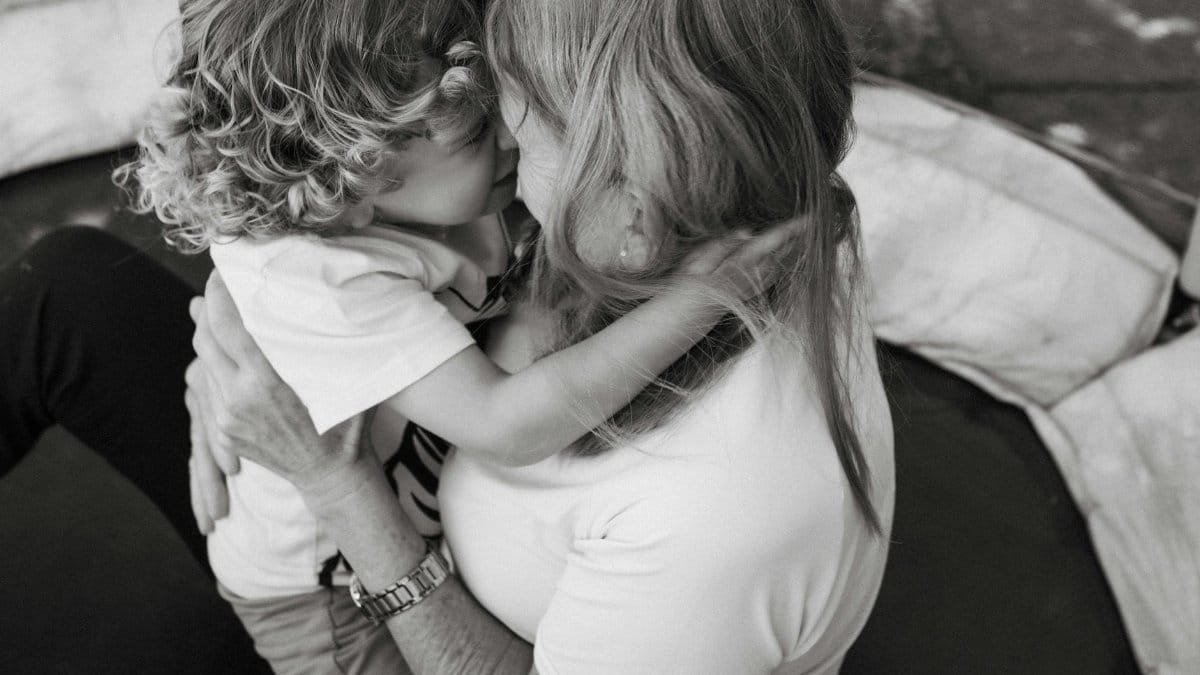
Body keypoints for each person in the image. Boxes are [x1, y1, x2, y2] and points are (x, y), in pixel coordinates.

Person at [187, 0, 896, 672]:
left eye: (519, 132)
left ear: (634, 218)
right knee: (77, 285)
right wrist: (239, 321)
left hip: (376, 553)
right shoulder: (729, 218)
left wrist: (336, 482)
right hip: (318, 595)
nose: (505, 143)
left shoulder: (719, 510)